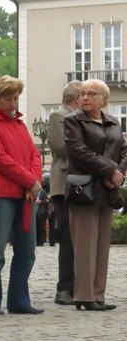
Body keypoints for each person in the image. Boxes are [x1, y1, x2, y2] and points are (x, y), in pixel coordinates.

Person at [0, 75, 43, 316]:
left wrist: (32, 182)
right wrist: (30, 180)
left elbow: (34, 154)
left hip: (25, 194)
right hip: (2, 194)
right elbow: (0, 160)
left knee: (27, 250)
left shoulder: (20, 125)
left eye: (15, 98)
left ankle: (19, 300)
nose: (13, 103)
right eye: (8, 98)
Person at [64, 79, 127, 311]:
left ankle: (98, 294)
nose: (86, 97)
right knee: (84, 245)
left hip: (108, 189)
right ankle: (83, 295)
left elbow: (123, 149)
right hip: (85, 188)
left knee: (102, 245)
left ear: (104, 99)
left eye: (92, 93)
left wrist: (119, 172)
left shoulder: (113, 122)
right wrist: (111, 170)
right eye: (82, 94)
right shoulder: (74, 121)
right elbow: (79, 152)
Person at [47, 80, 81, 305]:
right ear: (77, 97)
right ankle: (64, 287)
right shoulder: (60, 116)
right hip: (66, 182)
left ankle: (81, 285)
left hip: (84, 181)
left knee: (81, 238)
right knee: (69, 237)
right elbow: (63, 147)